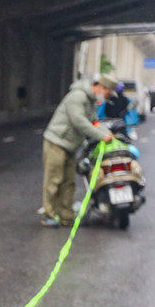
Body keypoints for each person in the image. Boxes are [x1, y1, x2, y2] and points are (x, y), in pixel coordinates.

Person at [41, 74, 114, 228]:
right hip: (57, 143)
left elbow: (93, 122)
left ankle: (66, 216)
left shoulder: (91, 101)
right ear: (101, 87)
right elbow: (79, 121)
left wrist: (108, 133)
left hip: (70, 146)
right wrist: (102, 136)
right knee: (54, 180)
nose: (107, 96)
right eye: (108, 93)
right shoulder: (77, 96)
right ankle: (49, 215)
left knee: (69, 182)